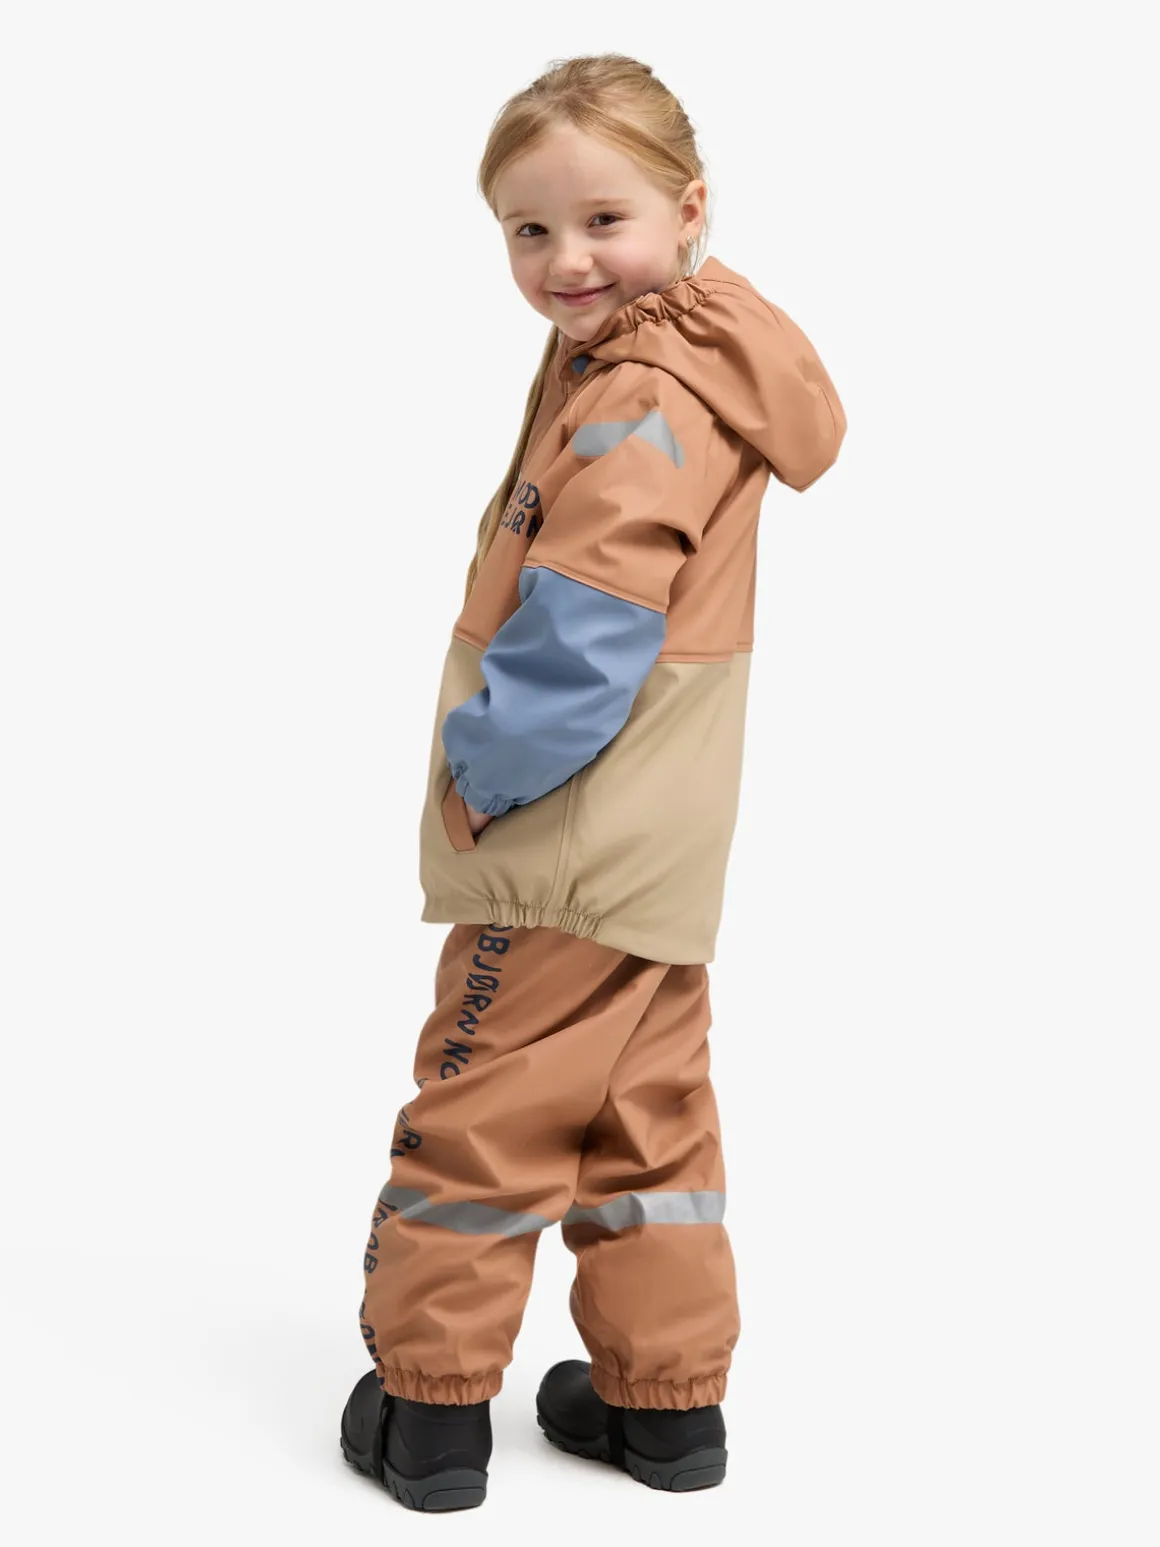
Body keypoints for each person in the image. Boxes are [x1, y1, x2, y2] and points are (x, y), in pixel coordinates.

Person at [339, 52, 846, 1512]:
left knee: (482, 1105)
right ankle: (663, 1406)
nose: (566, 260)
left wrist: (485, 772)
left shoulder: (640, 394)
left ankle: (429, 1409)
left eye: (603, 220)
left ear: (690, 210)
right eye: (529, 228)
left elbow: (589, 627)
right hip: (662, 834)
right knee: (649, 1113)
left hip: (566, 824)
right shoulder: (695, 356)